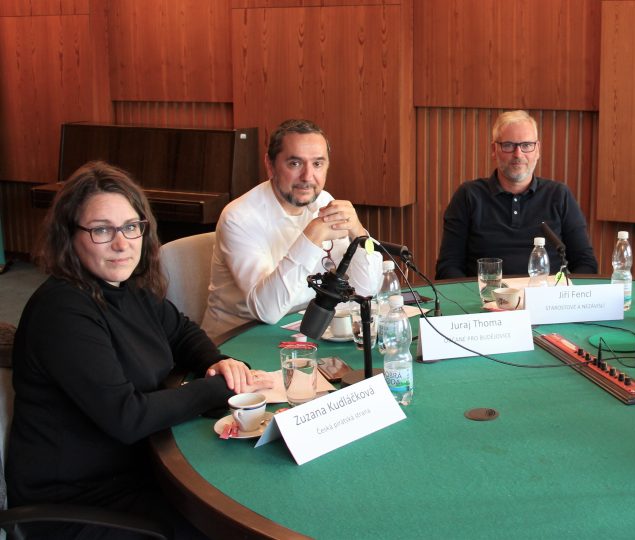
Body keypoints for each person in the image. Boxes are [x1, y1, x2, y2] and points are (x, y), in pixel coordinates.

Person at [7, 161, 271, 538]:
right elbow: (127, 417)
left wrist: (217, 361)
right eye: (102, 230)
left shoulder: (125, 287)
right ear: (69, 235)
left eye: (131, 227)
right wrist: (217, 388)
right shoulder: (62, 312)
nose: (122, 244)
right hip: (81, 502)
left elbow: (181, 332)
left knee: (248, 495)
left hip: (141, 468)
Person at [202, 119, 382, 338]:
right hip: (238, 340)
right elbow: (268, 311)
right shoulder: (239, 217)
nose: (307, 177)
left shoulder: (324, 201)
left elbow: (367, 290)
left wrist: (360, 235)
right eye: (295, 163)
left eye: (317, 164)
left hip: (304, 330)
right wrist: (311, 237)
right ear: (270, 165)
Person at [435, 110, 598, 279]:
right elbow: (448, 267)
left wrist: (561, 292)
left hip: (546, 293)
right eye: (508, 145)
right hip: (485, 294)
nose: (518, 154)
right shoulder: (468, 196)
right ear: (494, 149)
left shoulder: (559, 195)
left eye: (526, 145)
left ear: (537, 150)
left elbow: (585, 263)